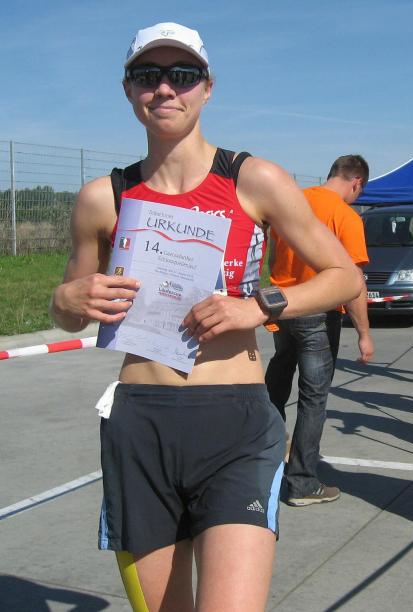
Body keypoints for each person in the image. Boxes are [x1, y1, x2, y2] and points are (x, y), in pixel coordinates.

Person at [49, 23, 362, 611]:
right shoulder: (103, 197)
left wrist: (259, 305)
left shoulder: (253, 178)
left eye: (183, 75)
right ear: (128, 89)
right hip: (140, 424)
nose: (166, 89)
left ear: (207, 87)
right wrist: (66, 301)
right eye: (149, 76)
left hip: (234, 421)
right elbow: (68, 307)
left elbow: (345, 276)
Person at [264, 155, 372, 507]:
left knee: (276, 387)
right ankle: (301, 483)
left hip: (283, 306)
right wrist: (364, 333)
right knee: (313, 400)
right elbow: (353, 283)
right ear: (356, 182)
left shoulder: (292, 200)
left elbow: (272, 256)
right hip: (318, 314)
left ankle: (263, 459)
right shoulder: (346, 217)